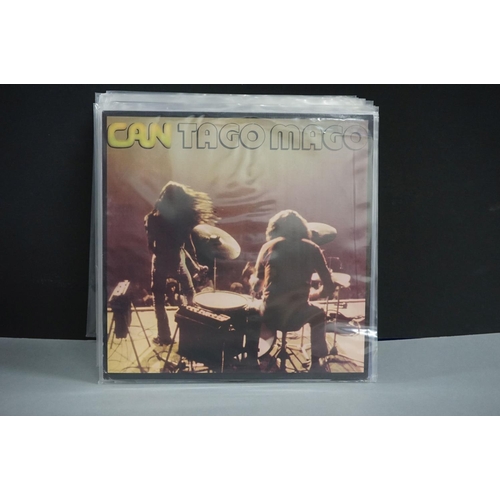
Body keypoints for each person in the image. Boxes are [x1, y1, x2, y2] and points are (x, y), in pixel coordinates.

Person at [253, 210, 335, 372]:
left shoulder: (268, 247)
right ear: (302, 228)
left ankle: (255, 356)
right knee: (319, 314)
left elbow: (256, 287)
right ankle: (316, 362)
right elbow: (329, 288)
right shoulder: (313, 248)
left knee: (250, 310)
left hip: (271, 315)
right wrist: (312, 295)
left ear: (274, 228)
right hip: (297, 316)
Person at [145, 181, 216, 346]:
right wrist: (195, 264)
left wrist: (163, 251)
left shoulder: (152, 218)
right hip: (178, 259)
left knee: (159, 299)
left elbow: (151, 246)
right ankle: (191, 332)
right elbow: (187, 246)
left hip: (161, 261)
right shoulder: (183, 221)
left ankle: (164, 336)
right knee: (189, 293)